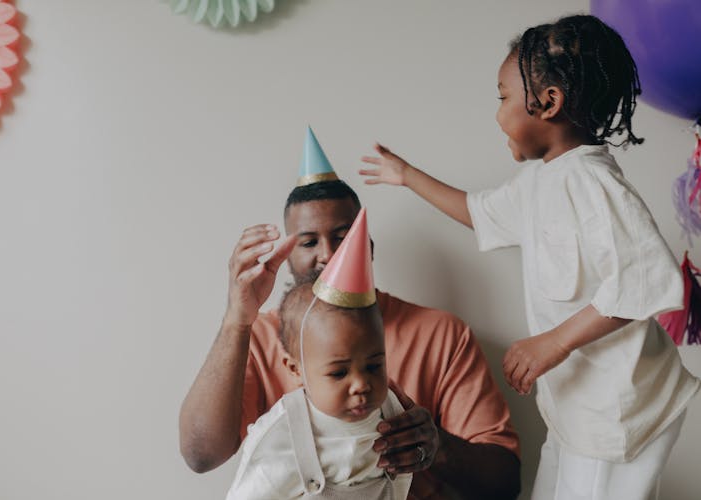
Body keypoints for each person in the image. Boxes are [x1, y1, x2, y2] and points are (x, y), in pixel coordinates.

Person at [359, 14, 700, 500]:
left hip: (620, 414)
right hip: (575, 406)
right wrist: (408, 175)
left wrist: (553, 343)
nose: (497, 112)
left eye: (503, 97)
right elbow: (479, 213)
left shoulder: (594, 184)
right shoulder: (542, 180)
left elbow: (643, 283)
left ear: (548, 103)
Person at [180, 128, 521, 499]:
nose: (327, 253)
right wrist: (236, 319)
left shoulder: (442, 334)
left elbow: (504, 483)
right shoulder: (261, 335)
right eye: (308, 241)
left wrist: (436, 447)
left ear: (367, 245)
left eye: (342, 237)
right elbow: (201, 456)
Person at [227, 209, 412, 499]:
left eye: (374, 366)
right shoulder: (283, 435)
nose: (362, 384)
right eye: (339, 372)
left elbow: (401, 480)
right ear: (295, 368)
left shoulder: (391, 407)